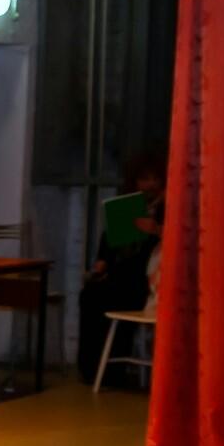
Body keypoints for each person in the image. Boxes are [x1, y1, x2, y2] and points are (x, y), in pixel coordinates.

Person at [78, 151, 167, 383]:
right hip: (121, 272)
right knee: (90, 295)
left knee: (115, 294)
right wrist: (102, 261)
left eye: (154, 179)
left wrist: (156, 230)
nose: (149, 185)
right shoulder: (130, 206)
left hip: (146, 278)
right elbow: (110, 240)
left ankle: (113, 370)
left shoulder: (167, 207)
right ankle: (90, 367)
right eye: (144, 179)